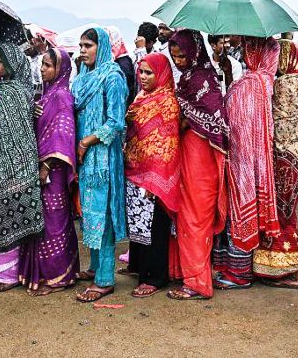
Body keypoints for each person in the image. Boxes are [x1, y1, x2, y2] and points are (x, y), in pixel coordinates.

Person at [0, 42, 45, 291]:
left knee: (9, 211)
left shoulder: (14, 92)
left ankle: (6, 275)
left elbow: (20, 133)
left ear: (12, 64)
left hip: (16, 165)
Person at [214, 37, 280, 290]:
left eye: (249, 49)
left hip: (241, 159)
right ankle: (239, 269)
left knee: (238, 214)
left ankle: (238, 274)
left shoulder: (250, 83)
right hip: (257, 159)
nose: (244, 53)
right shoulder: (264, 80)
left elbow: (234, 121)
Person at [166, 29, 227, 300]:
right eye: (174, 57)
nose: (178, 61)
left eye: (181, 56)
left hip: (203, 156)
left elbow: (214, 121)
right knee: (187, 215)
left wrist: (184, 120)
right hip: (190, 152)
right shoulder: (190, 77)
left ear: (194, 51)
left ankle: (198, 283)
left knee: (195, 217)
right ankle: (192, 274)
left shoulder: (205, 79)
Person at [71, 27, 128, 303]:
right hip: (85, 158)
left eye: (88, 45)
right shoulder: (82, 78)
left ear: (101, 47)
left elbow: (116, 122)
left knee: (102, 215)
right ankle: (94, 266)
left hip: (103, 156)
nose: (83, 50)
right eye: (81, 45)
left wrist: (86, 142)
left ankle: (105, 279)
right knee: (90, 212)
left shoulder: (112, 76)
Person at [21, 47, 80, 296]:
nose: (42, 69)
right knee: (43, 222)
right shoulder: (47, 94)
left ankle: (59, 276)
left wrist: (46, 166)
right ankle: (49, 272)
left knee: (54, 223)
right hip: (42, 168)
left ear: (61, 69)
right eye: (42, 64)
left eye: (48, 65)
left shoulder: (61, 96)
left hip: (52, 172)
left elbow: (63, 134)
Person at [124, 52, 181, 298]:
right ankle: (139, 267)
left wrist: (153, 178)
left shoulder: (167, 102)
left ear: (161, 74)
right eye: (141, 72)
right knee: (138, 224)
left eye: (149, 73)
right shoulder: (141, 97)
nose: (143, 77)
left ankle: (155, 277)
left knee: (155, 227)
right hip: (135, 170)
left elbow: (166, 143)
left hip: (156, 175)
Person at [253, 39, 298, 288]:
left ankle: (285, 270)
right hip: (296, 151)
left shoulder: (284, 83)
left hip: (282, 154)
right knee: (289, 212)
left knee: (281, 213)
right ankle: (292, 269)